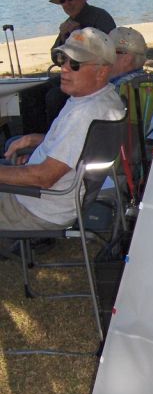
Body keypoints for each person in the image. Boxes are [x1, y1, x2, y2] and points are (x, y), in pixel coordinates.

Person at [0, 28, 124, 244]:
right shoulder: (106, 99)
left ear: (101, 72)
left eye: (75, 64)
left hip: (35, 207)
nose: (64, 68)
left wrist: (19, 171)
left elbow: (44, 177)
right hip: (46, 198)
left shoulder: (85, 113)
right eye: (62, 59)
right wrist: (36, 140)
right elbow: (77, 146)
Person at [20, 0, 116, 134]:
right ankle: (35, 138)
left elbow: (109, 53)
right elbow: (55, 57)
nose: (67, 4)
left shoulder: (100, 17)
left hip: (94, 77)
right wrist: (64, 36)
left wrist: (79, 35)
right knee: (29, 93)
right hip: (71, 74)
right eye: (62, 0)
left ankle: (56, 137)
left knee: (54, 97)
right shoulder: (68, 24)